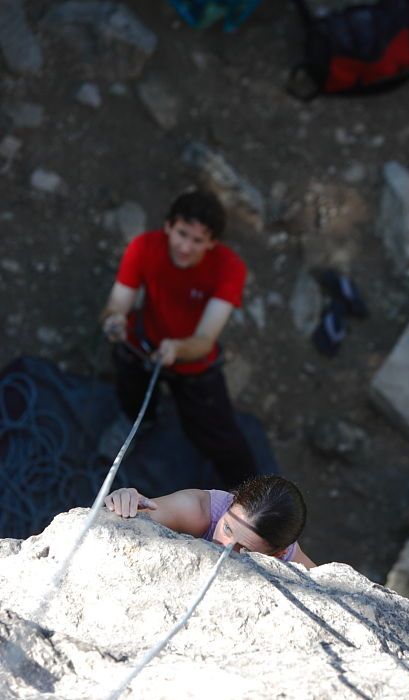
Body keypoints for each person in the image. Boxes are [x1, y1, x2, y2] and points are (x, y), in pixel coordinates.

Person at [100, 188, 258, 488]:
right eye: (181, 234)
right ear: (168, 226)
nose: (185, 247)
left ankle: (246, 489)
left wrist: (178, 348)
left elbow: (204, 339)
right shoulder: (144, 248)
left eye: (197, 240)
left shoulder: (229, 268)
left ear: (212, 243)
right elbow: (117, 304)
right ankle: (136, 421)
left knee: (217, 432)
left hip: (193, 364)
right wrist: (114, 321)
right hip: (142, 346)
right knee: (132, 391)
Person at [104, 475, 317, 569]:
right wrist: (126, 501)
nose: (224, 549)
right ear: (231, 502)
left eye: (244, 549)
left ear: (277, 554)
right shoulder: (195, 510)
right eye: (227, 528)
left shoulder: (289, 560)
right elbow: (136, 519)